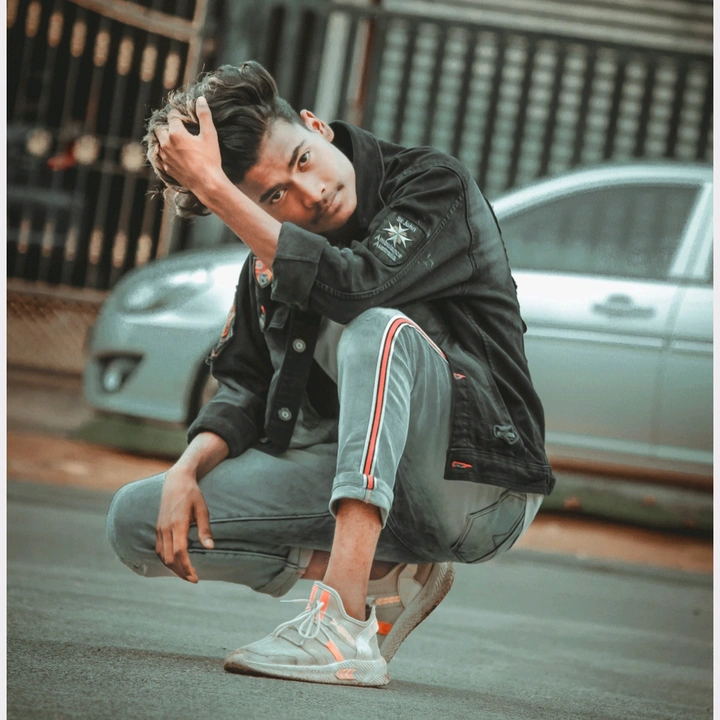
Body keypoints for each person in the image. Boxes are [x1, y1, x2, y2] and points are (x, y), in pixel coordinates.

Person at [106, 61, 555, 687]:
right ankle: (385, 575)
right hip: (360, 486)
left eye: (302, 160)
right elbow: (244, 386)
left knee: (375, 328)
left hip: (476, 488)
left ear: (316, 126)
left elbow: (356, 287)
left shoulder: (432, 185)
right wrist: (186, 469)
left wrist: (214, 187)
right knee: (138, 518)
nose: (310, 193)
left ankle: (342, 624)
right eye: (272, 197)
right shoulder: (269, 261)